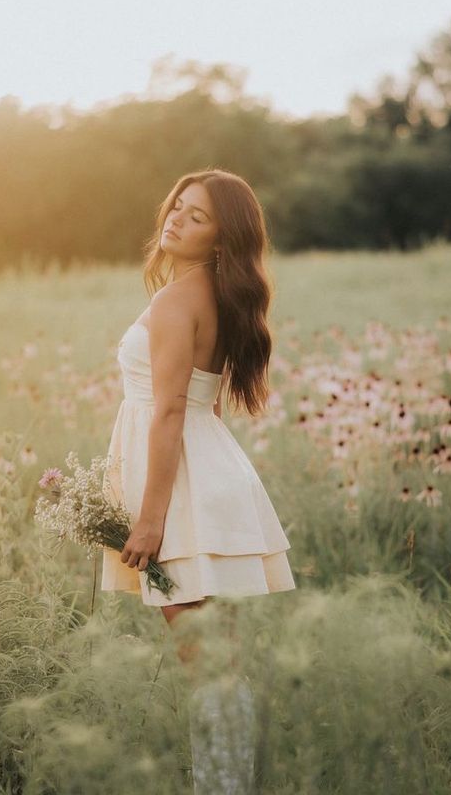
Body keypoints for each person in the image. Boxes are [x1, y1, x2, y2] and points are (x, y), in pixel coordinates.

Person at [100, 169, 296, 672]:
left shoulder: (174, 301)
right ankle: (235, 749)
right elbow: (205, 403)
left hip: (177, 483)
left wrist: (149, 520)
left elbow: (169, 410)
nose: (177, 219)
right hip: (205, 465)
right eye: (178, 206)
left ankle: (226, 750)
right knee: (219, 650)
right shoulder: (220, 295)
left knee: (203, 656)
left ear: (220, 237)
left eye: (198, 216)